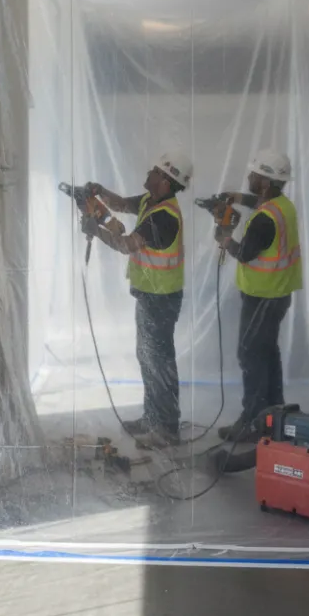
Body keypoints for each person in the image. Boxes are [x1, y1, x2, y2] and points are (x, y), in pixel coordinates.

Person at [81, 151, 192, 448]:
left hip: (161, 298)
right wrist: (100, 192)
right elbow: (122, 204)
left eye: (155, 171)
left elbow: (127, 244)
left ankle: (167, 429)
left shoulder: (164, 217)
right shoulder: (149, 201)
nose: (149, 172)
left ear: (166, 182)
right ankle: (152, 418)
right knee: (148, 357)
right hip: (149, 294)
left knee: (159, 361)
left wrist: (97, 230)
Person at [212, 149, 302, 442]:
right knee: (267, 352)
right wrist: (238, 198)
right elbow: (260, 204)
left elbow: (246, 254)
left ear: (264, 182)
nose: (249, 178)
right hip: (276, 293)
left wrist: (226, 240)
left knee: (250, 353)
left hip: (263, 295)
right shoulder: (281, 205)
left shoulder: (265, 219)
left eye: (253, 175)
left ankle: (252, 420)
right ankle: (274, 412)